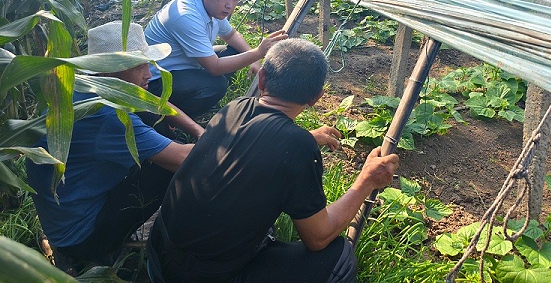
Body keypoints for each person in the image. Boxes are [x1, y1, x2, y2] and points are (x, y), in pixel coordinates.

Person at [147, 38, 399, 282]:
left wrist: (308, 138)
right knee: (339, 259)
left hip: (159, 253)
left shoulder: (236, 107)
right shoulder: (298, 147)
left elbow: (252, 147)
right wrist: (366, 181)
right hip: (202, 275)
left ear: (262, 77)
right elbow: (318, 237)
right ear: (316, 97)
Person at [27, 21, 203, 275]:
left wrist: (198, 130)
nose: (149, 74)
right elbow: (184, 159)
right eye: (139, 65)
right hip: (82, 236)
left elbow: (153, 103)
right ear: (110, 69)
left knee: (156, 123)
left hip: (61, 214)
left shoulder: (77, 85)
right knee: (167, 167)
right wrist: (218, 138)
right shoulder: (105, 118)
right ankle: (112, 247)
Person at [144, 0, 287, 119]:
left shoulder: (210, 6)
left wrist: (253, 59)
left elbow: (231, 35)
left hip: (183, 65)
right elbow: (215, 68)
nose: (229, 5)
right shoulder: (186, 15)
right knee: (216, 85)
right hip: (154, 81)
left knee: (234, 51)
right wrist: (258, 53)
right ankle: (170, 117)